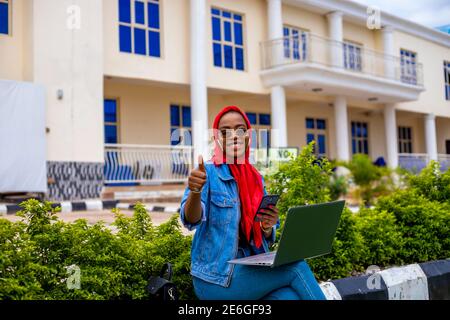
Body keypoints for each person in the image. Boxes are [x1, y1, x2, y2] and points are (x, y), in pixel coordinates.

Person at [179, 105, 326, 300]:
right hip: (215, 278)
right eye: (225, 132)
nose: (234, 136)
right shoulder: (208, 173)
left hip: (249, 269)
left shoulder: (256, 178)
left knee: (290, 297)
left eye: (240, 130)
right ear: (217, 138)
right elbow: (190, 220)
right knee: (295, 266)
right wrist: (195, 191)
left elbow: (263, 235)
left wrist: (266, 226)